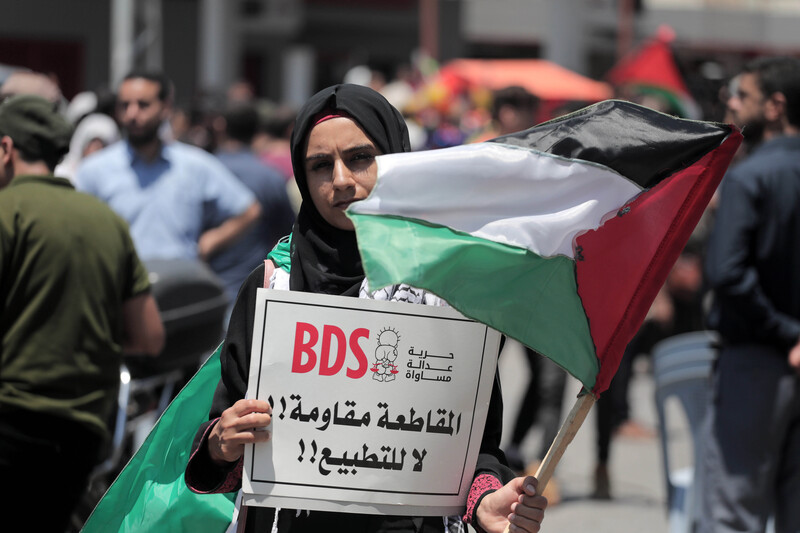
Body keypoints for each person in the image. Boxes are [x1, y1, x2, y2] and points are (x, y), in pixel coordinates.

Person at [185, 84, 548, 533]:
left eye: (360, 158)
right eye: (320, 165)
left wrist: (487, 500)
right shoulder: (273, 285)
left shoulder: (449, 291)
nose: (340, 180)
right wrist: (223, 442)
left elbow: (476, 446)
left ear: (396, 160)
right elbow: (220, 443)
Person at [0, 95, 165, 532]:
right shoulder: (106, 220)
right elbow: (149, 336)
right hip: (84, 431)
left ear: (6, 149)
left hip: (10, 417)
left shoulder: (6, 212)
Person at [701, 56, 800, 533]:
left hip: (755, 366)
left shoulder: (750, 176)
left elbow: (727, 273)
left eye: (743, 96)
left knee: (733, 514)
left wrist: (785, 333)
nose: (732, 104)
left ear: (776, 106)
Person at [76, 70, 261, 262]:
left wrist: (210, 242)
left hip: (180, 285)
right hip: (121, 286)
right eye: (125, 105)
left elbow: (249, 210)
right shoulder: (94, 170)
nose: (132, 114)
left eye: (143, 105)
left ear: (166, 108)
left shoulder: (194, 165)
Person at [210, 102, 295, 308]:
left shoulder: (204, 171)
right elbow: (288, 236)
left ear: (220, 127)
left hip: (203, 289)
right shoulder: (270, 177)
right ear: (257, 132)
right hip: (251, 292)